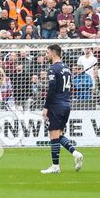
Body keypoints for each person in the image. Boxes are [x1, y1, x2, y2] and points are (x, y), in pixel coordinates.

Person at [39, 44, 83, 173]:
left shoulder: (53, 69)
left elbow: (52, 89)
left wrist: (46, 107)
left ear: (53, 53)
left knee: (53, 136)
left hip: (56, 105)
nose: (46, 55)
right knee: (58, 135)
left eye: (47, 53)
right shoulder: (67, 68)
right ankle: (75, 153)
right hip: (66, 104)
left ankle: (55, 166)